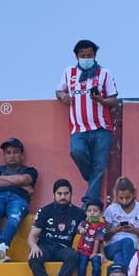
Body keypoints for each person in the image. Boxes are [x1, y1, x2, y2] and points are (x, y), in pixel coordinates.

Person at [56, 39, 118, 206]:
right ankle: (91, 180)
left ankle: (89, 203)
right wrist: (63, 96)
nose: (86, 58)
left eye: (89, 55)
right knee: (77, 152)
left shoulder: (104, 73)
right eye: (82, 55)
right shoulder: (69, 72)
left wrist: (101, 100)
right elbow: (59, 90)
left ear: (95, 55)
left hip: (101, 127)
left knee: (99, 166)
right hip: (78, 128)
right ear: (77, 56)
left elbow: (113, 99)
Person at [27, 179, 84, 276]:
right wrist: (34, 246)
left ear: (71, 194)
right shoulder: (45, 211)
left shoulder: (79, 213)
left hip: (63, 248)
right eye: (59, 194)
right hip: (45, 246)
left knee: (74, 256)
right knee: (34, 258)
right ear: (54, 195)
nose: (63, 197)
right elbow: (32, 236)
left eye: (66, 193)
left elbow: (87, 230)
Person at [0, 138, 38, 261]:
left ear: (22, 155)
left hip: (18, 199)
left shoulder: (30, 170)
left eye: (15, 152)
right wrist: (19, 183)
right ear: (4, 155)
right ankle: (1, 250)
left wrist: (1, 179)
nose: (12, 155)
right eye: (8, 152)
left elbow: (24, 180)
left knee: (14, 217)